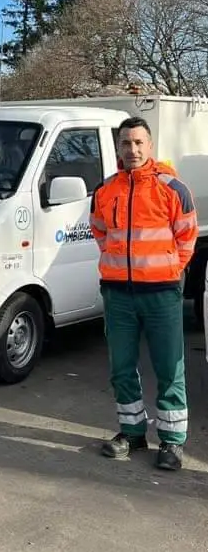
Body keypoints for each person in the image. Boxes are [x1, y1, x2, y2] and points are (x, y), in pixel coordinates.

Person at [90, 116, 196, 471]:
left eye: (138, 143)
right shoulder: (105, 190)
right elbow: (100, 232)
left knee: (169, 368)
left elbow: (187, 239)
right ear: (118, 147)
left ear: (150, 146)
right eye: (125, 143)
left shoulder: (172, 188)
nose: (132, 149)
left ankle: (171, 441)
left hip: (162, 293)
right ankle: (132, 432)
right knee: (121, 368)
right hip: (119, 294)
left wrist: (168, 270)